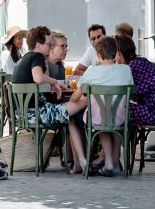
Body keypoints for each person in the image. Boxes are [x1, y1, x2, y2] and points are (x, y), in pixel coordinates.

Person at [12, 25, 86, 171]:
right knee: (84, 100)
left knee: (69, 117)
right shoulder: (37, 56)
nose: (50, 46)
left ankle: (80, 162)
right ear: (39, 45)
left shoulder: (24, 59)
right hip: (37, 114)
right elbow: (38, 78)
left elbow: (34, 81)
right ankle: (83, 161)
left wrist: (52, 85)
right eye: (48, 43)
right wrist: (55, 82)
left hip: (23, 115)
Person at [71, 35, 134, 176]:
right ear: (116, 51)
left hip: (98, 119)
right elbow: (131, 90)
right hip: (120, 118)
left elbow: (75, 97)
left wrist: (74, 97)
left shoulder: (91, 71)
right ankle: (114, 163)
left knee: (101, 122)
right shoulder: (125, 70)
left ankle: (109, 163)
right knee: (116, 125)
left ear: (98, 53)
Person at [115, 34, 155, 127]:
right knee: (121, 108)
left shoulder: (132, 67)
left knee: (117, 109)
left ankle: (120, 140)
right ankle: (124, 140)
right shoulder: (140, 62)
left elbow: (122, 91)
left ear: (119, 52)